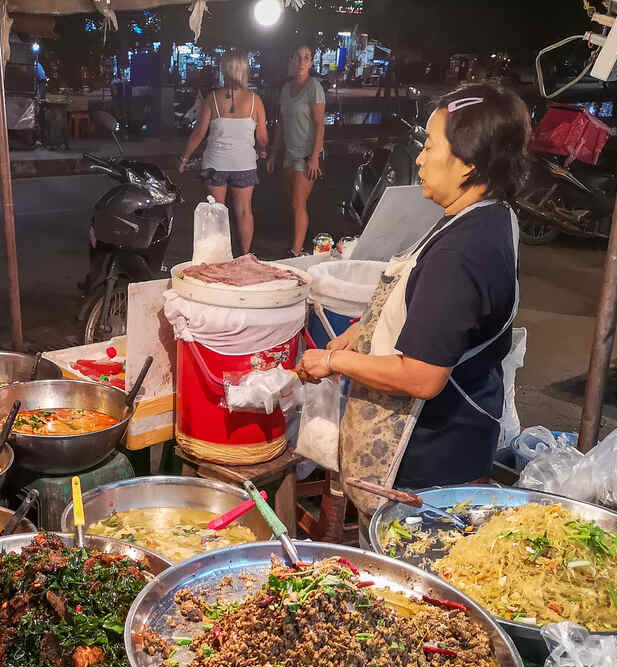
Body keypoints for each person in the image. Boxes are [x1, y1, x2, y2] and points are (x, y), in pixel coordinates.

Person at [296, 84, 529, 517]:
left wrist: (332, 363)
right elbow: (423, 308)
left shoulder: (461, 254)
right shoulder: (488, 215)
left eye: (430, 145)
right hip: (457, 440)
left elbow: (421, 376)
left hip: (427, 465)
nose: (419, 158)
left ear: (468, 163)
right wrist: (358, 333)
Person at [178, 50, 268, 255]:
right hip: (244, 164)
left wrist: (184, 158)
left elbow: (199, 133)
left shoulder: (212, 99)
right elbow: (262, 137)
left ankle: (219, 255)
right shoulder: (256, 101)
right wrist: (263, 150)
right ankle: (245, 254)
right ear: (246, 70)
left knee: (216, 212)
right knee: (244, 211)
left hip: (214, 165)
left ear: (224, 70)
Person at [267, 44, 326, 256]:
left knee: (298, 202)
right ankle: (297, 245)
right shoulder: (285, 89)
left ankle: (296, 250)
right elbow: (281, 124)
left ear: (311, 63)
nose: (302, 62)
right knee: (293, 203)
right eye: (298, 57)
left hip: (306, 155)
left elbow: (320, 124)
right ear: (292, 60)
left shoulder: (314, 88)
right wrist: (274, 153)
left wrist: (315, 158)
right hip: (289, 154)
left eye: (307, 58)